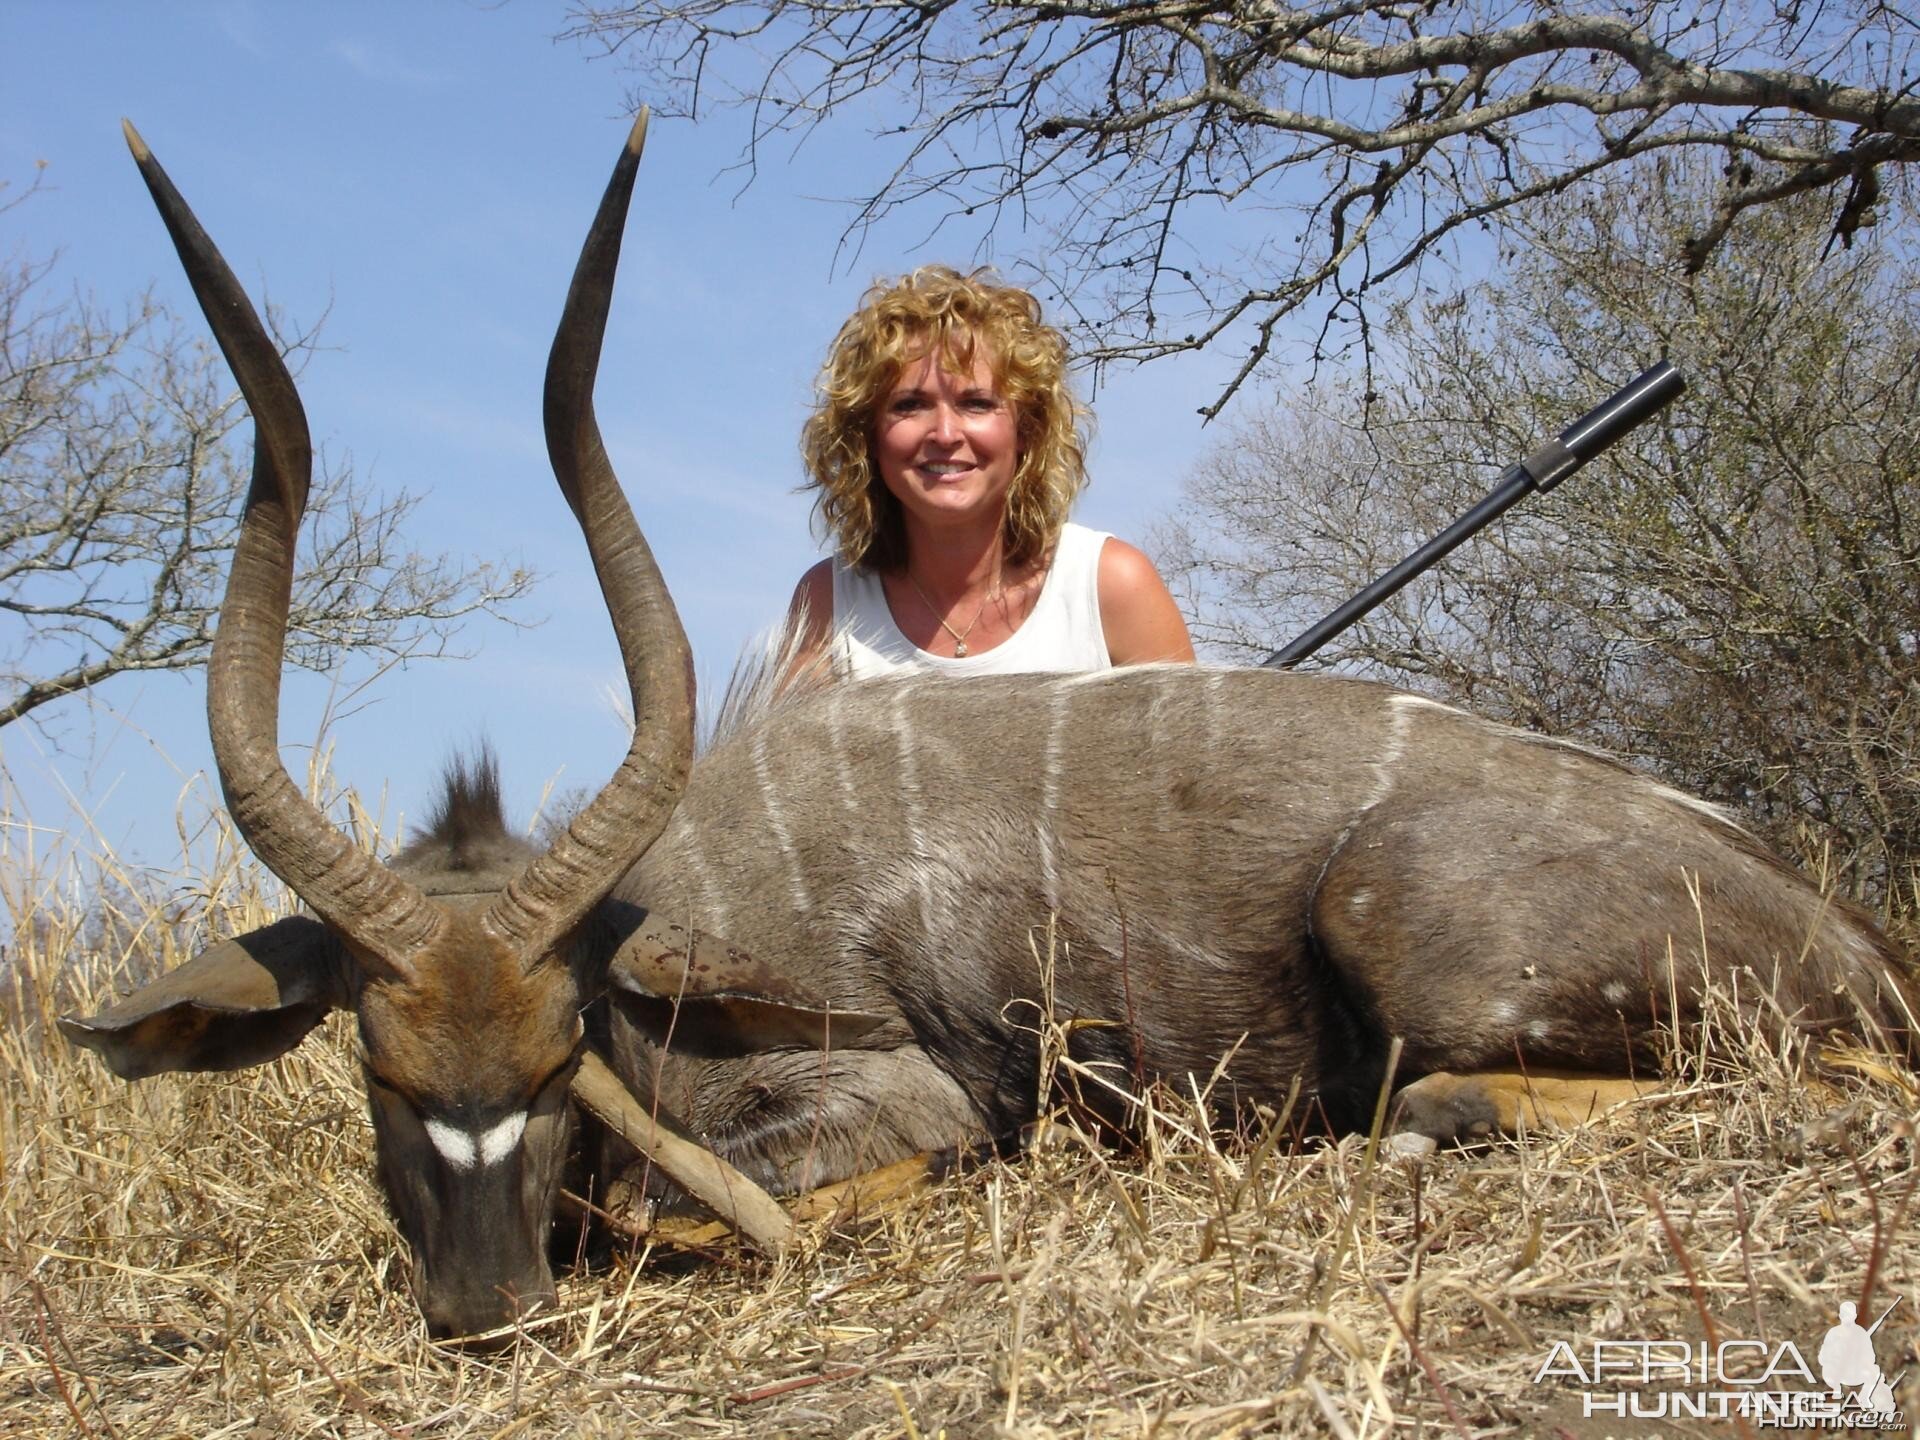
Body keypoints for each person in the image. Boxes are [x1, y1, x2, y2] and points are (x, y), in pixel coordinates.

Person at [784, 266, 1195, 679]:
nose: (945, 434)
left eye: (976, 403)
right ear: (868, 437)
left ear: (1026, 429)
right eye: (909, 404)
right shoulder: (828, 603)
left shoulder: (1110, 584)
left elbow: (1196, 743)